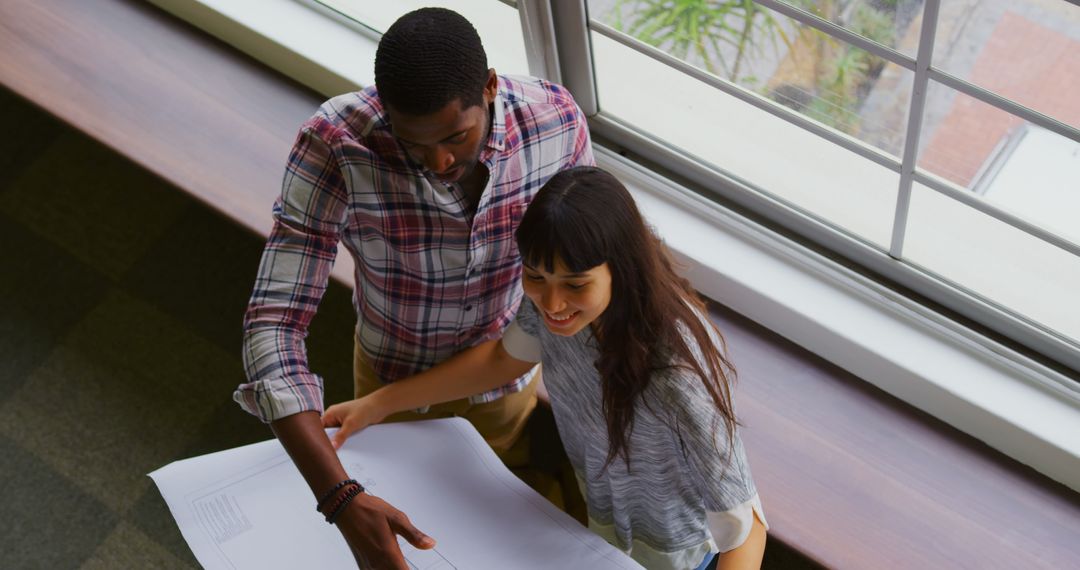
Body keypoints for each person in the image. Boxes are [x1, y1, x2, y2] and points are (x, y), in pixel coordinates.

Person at [234, 7, 594, 568]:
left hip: (507, 373)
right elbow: (273, 323)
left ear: (491, 87)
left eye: (457, 135)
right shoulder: (335, 144)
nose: (439, 161)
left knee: (496, 501)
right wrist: (339, 497)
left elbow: (586, 257)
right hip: (388, 374)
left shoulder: (558, 123)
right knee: (403, 528)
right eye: (414, 144)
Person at [323, 167, 769, 570]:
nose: (553, 304)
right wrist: (380, 402)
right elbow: (503, 359)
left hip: (684, 558)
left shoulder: (675, 376)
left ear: (622, 269)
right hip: (608, 531)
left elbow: (747, 531)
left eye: (575, 285)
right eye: (535, 277)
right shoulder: (554, 312)